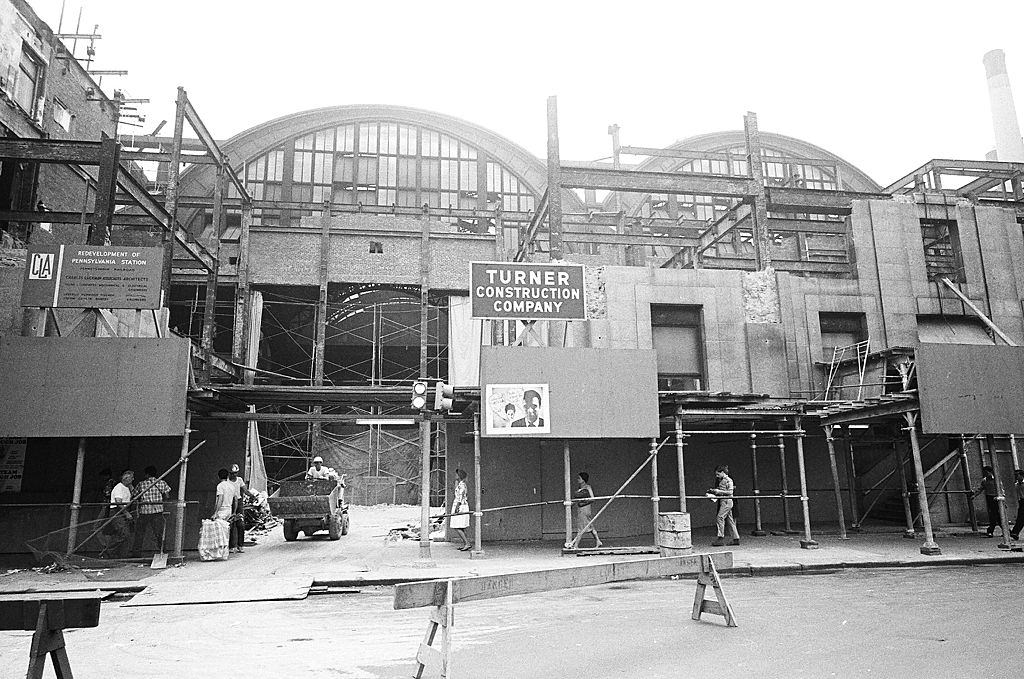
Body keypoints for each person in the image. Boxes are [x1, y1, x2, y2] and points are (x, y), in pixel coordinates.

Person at [133, 466, 171, 556]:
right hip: (157, 512)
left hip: (144, 512)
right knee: (159, 534)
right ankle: (163, 552)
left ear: (146, 474)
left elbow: (134, 495)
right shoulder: (161, 483)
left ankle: (136, 553)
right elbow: (167, 496)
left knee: (140, 534)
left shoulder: (141, 484)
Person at [707, 464, 740, 547]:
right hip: (724, 501)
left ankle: (720, 537)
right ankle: (736, 538)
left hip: (726, 501)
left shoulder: (729, 480)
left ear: (722, 472)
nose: (717, 476)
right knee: (730, 520)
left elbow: (730, 492)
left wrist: (718, 491)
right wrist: (714, 491)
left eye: (718, 474)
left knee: (720, 517)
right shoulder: (722, 480)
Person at [228, 464, 257, 553]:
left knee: (240, 525)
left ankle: (240, 545)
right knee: (231, 525)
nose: (234, 475)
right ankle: (231, 546)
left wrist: (252, 496)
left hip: (239, 502)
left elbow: (245, 490)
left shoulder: (239, 480)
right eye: (232, 473)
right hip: (231, 502)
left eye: (235, 473)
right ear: (230, 473)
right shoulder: (227, 482)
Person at [107, 470, 135, 558]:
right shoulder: (119, 487)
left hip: (122, 511)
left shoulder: (126, 488)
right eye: (131, 478)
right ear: (125, 479)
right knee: (123, 534)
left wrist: (131, 487)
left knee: (122, 534)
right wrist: (126, 513)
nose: (133, 480)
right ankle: (110, 551)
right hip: (117, 512)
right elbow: (118, 502)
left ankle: (120, 554)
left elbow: (135, 494)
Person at [212, 468, 238, 552]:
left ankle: (220, 551)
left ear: (218, 477)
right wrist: (234, 512)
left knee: (220, 532)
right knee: (226, 531)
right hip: (229, 510)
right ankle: (226, 550)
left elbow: (220, 499)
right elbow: (236, 499)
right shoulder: (232, 486)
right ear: (227, 476)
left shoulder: (220, 486)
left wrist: (215, 512)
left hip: (222, 510)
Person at [574, 472, 602, 548]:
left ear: (583, 479)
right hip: (580, 509)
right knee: (590, 525)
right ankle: (598, 541)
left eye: (579, 478)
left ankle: (576, 545)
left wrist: (583, 503)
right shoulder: (580, 488)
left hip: (585, 509)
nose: (577, 480)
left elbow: (592, 498)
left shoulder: (587, 487)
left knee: (581, 527)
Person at [975, 465, 1002, 537]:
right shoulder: (984, 480)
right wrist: (974, 495)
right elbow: (980, 489)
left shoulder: (996, 479)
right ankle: (1005, 530)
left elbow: (1001, 489)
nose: (986, 474)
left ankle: (991, 530)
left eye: (987, 472)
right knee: (995, 514)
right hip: (989, 498)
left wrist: (1002, 498)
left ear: (990, 472)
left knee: (995, 515)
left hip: (996, 497)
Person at [449, 468, 471, 551]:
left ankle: (467, 543)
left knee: (457, 526)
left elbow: (460, 498)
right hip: (460, 505)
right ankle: (466, 543)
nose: (455, 476)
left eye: (456, 474)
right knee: (459, 526)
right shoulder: (460, 484)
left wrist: (457, 508)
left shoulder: (462, 485)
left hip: (461, 506)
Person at [1010, 469, 1023, 541]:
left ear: (1021, 475)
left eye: (1017, 475)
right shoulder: (1017, 485)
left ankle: (1015, 532)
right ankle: (1015, 532)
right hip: (1022, 501)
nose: (1015, 477)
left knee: (1021, 517)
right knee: (1020, 517)